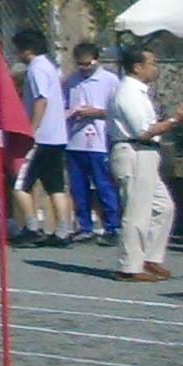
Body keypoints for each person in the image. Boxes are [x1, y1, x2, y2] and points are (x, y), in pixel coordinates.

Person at [111, 46, 183, 280]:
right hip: (135, 151)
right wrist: (174, 120)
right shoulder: (127, 92)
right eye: (151, 63)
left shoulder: (140, 92)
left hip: (148, 154)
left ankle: (149, 257)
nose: (155, 68)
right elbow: (144, 131)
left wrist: (173, 120)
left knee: (163, 206)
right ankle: (129, 266)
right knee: (137, 211)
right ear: (137, 66)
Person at [61, 41, 122, 244]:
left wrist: (94, 112)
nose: (84, 68)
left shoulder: (110, 81)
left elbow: (117, 111)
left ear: (97, 60)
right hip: (75, 141)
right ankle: (84, 225)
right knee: (78, 187)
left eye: (88, 64)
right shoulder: (72, 81)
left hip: (99, 141)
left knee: (104, 185)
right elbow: (64, 106)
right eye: (81, 64)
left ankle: (112, 226)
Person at [14, 28, 70, 242]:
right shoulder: (50, 67)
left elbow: (41, 100)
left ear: (27, 49)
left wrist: (32, 128)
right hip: (57, 136)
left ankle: (31, 227)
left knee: (20, 184)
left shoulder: (37, 69)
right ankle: (62, 231)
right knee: (55, 185)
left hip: (41, 137)